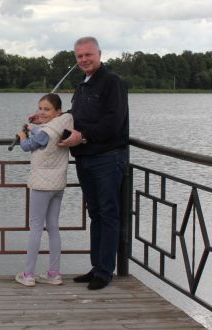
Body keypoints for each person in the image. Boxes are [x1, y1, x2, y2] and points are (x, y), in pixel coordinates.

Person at [58, 36, 129, 290]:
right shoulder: (82, 85)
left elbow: (114, 121)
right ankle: (96, 266)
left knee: (108, 213)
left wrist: (84, 136)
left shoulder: (112, 82)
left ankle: (105, 271)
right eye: (79, 56)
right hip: (85, 157)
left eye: (88, 54)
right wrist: (49, 118)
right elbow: (75, 117)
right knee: (95, 213)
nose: (84, 60)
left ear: (99, 54)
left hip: (108, 157)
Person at [15, 93, 74, 287]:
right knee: (53, 227)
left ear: (58, 111)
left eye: (46, 109)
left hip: (41, 185)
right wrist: (35, 126)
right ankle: (54, 273)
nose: (41, 112)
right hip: (58, 184)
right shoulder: (64, 124)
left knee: (36, 228)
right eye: (40, 108)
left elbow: (27, 146)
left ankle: (28, 274)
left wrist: (23, 135)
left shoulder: (45, 132)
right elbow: (44, 132)